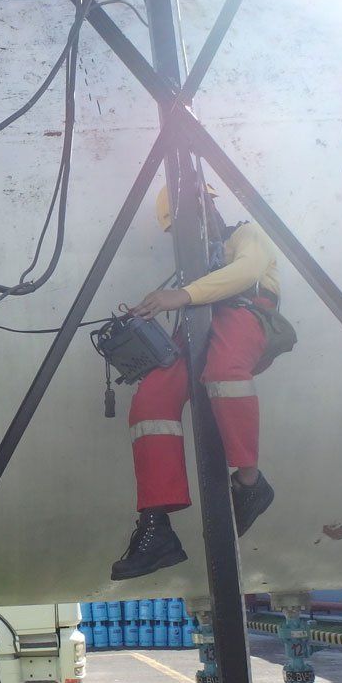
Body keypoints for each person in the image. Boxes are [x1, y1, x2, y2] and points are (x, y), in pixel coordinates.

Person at [111, 184, 281, 580]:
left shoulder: (246, 234)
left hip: (243, 314)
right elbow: (192, 296)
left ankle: (251, 483)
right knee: (151, 400)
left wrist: (181, 295)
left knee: (224, 372)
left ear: (208, 204)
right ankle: (155, 525)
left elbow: (247, 272)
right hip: (198, 320)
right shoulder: (196, 265)